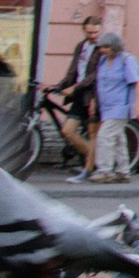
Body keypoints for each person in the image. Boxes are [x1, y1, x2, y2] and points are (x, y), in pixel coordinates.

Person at [89, 29, 139, 184]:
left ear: (115, 46)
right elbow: (99, 83)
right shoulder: (104, 61)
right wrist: (94, 101)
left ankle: (105, 171)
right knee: (118, 139)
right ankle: (123, 171)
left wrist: (137, 106)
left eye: (106, 47)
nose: (102, 50)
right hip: (106, 107)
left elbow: (137, 83)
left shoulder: (127, 59)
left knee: (105, 136)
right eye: (101, 47)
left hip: (121, 106)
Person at [55, 14, 103, 179]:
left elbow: (95, 75)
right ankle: (98, 160)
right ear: (84, 30)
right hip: (79, 94)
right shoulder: (80, 46)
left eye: (96, 32)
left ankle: (91, 167)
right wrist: (60, 86)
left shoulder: (102, 48)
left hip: (93, 95)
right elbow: (73, 70)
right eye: (89, 32)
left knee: (92, 133)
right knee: (68, 131)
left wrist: (75, 87)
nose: (93, 36)